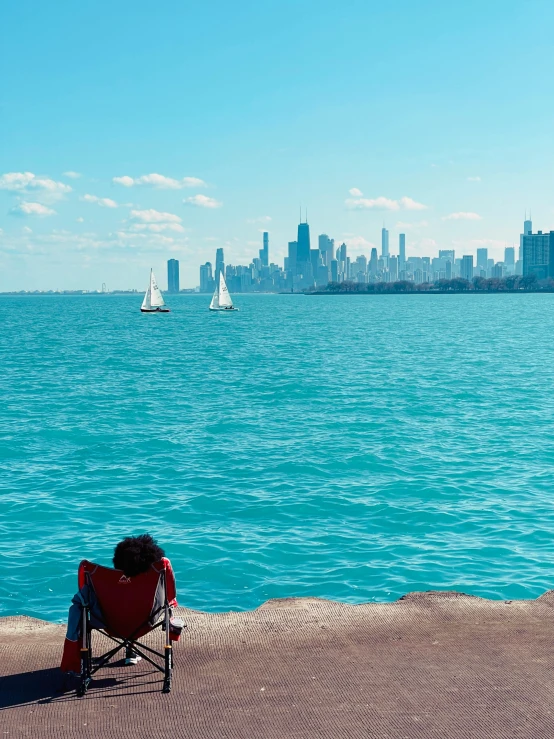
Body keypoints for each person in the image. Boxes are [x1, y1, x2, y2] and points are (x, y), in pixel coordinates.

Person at [60, 534, 176, 672]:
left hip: (110, 624)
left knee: (121, 607)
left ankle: (128, 651)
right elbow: (170, 598)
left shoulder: (100, 577)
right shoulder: (154, 575)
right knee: (150, 606)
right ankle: (131, 650)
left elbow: (83, 597)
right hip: (145, 622)